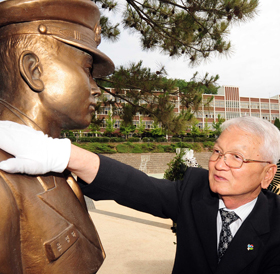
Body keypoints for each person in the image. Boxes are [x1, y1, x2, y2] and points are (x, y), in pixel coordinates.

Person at [1, 116, 280, 274]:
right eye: (217, 152)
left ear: (268, 174)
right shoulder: (195, 192)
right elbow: (136, 186)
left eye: (236, 157)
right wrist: (63, 154)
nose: (219, 163)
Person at [0, 0, 114, 273]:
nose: (96, 89)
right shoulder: (3, 183)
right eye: (88, 70)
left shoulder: (53, 161)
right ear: (33, 70)